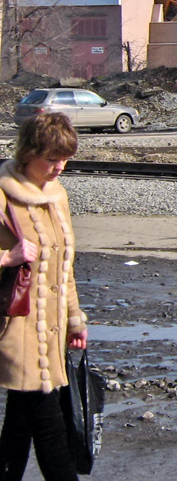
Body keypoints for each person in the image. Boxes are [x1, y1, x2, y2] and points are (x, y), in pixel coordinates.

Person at [0, 113, 87, 481]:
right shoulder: (3, 194)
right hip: (15, 328)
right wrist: (8, 257)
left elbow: (64, 268)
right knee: (51, 429)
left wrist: (74, 320)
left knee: (19, 426)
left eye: (65, 159)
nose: (59, 168)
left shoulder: (57, 195)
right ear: (28, 152)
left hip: (50, 329)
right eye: (52, 158)